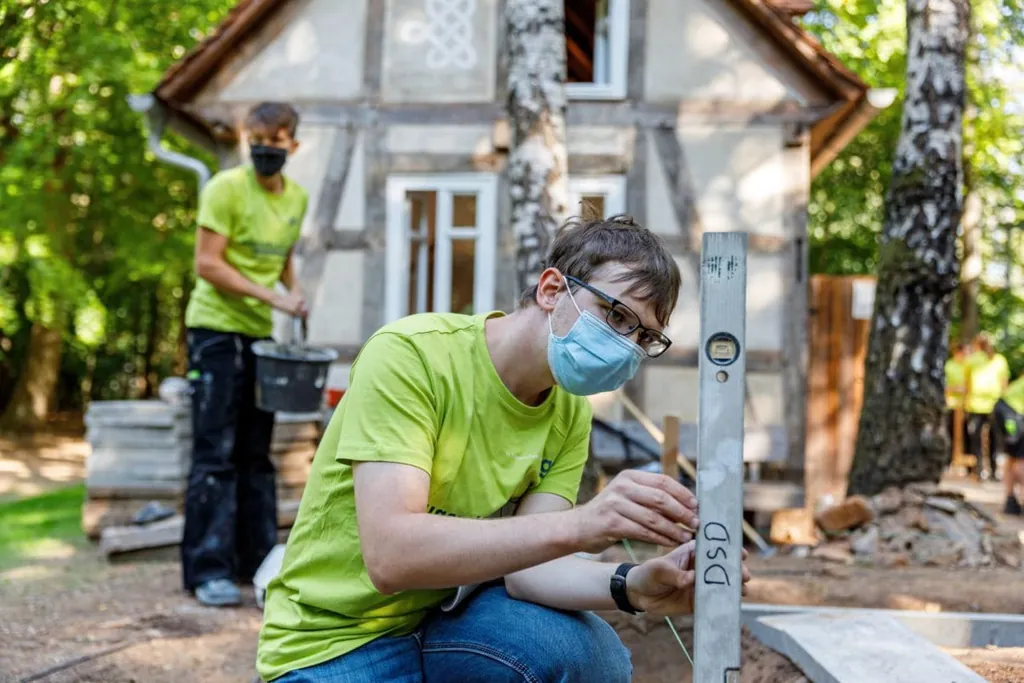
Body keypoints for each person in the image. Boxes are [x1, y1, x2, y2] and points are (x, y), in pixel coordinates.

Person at [255, 215, 752, 683]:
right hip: (333, 639)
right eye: (616, 315)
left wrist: (634, 584)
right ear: (552, 289)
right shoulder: (413, 356)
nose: (627, 344)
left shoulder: (568, 412)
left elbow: (530, 573)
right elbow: (392, 557)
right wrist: (585, 523)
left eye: (645, 336)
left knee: (591, 656)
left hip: (439, 622)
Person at [182, 102, 309, 607]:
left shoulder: (295, 197)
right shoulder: (225, 189)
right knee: (215, 448)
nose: (264, 150)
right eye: (255, 140)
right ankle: (208, 568)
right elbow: (207, 264)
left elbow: (283, 259)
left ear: (292, 146)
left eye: (275, 141)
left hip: (260, 336)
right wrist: (273, 297)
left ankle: (254, 564)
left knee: (257, 451)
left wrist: (294, 293)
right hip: (214, 330)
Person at [965, 334, 1011, 479]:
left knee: (975, 438)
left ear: (976, 345)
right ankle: (992, 471)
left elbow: (967, 383)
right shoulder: (999, 360)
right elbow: (1004, 384)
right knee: (995, 438)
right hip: (994, 403)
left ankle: (976, 470)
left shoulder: (971, 360)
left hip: (975, 404)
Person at [994, 374, 1024, 514]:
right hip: (1012, 415)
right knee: (1020, 460)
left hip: (1004, 411)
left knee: (1012, 458)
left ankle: (1010, 500)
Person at [945, 341, 971, 465]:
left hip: (967, 405)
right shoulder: (949, 366)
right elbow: (944, 386)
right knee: (950, 433)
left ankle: (969, 465)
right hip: (951, 404)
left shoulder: (969, 366)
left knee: (967, 435)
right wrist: (956, 389)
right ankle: (948, 461)